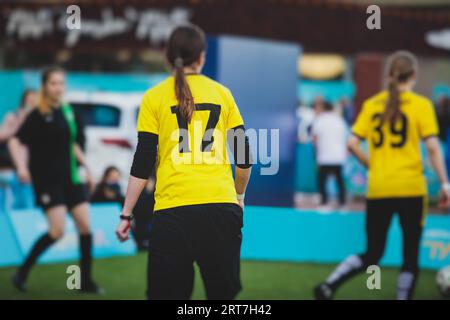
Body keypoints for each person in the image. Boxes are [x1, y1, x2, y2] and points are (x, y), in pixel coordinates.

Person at [115, 25, 252, 300]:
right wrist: (238, 196)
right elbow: (244, 158)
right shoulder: (222, 93)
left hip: (173, 212)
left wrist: (126, 214)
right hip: (220, 209)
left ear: (167, 57)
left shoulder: (153, 97)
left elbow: (143, 162)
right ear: (201, 57)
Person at [314, 51, 450, 300]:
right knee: (410, 255)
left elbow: (353, 143)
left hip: (379, 187)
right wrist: (445, 183)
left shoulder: (372, 104)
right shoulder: (421, 106)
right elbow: (432, 147)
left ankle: (329, 285)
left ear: (389, 75)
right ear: (414, 76)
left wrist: (373, 166)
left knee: (373, 253)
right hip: (410, 188)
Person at [8, 66, 102, 293]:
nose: (58, 87)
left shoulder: (68, 111)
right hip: (48, 181)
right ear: (45, 86)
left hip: (71, 178)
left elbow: (72, 144)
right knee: (57, 231)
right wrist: (21, 167)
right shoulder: (37, 114)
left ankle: (84, 282)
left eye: (61, 83)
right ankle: (21, 273)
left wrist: (88, 169)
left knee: (85, 227)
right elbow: (14, 141)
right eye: (53, 83)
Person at [312, 100, 348, 207]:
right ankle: (342, 202)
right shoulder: (340, 120)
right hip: (338, 156)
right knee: (339, 179)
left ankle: (324, 202)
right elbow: (345, 137)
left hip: (325, 156)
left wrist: (316, 151)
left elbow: (315, 138)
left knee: (322, 180)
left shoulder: (320, 120)